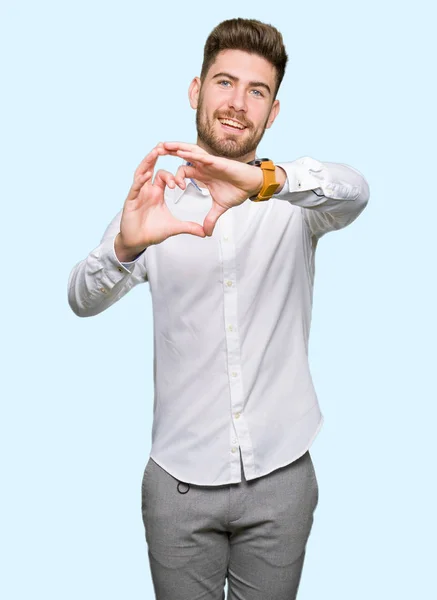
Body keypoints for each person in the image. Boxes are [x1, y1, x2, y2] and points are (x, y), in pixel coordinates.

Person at [68, 17, 369, 600]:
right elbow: (81, 296)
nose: (237, 103)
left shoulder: (294, 202)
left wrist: (264, 182)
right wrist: (128, 247)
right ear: (195, 91)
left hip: (282, 478)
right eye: (224, 83)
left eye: (256, 91)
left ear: (273, 112)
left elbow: (356, 190)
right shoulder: (154, 205)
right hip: (178, 489)